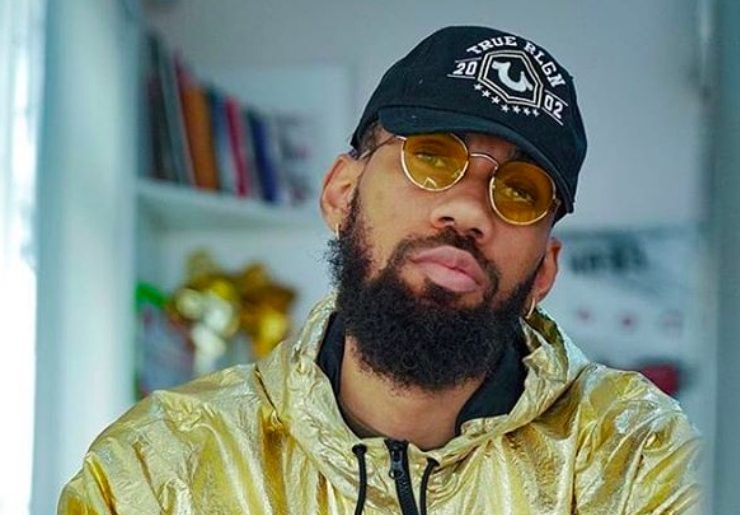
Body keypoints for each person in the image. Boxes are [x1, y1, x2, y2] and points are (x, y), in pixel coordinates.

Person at [59, 26, 700, 514]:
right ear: (342, 193)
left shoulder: (634, 457)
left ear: (543, 274)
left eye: (520, 192)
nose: (469, 209)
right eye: (432, 157)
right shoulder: (160, 468)